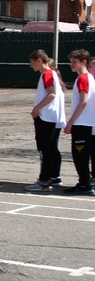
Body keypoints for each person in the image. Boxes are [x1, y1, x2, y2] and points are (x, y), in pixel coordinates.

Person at [26, 49, 65, 192]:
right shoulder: (53, 74)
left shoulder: (47, 74)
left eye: (32, 63)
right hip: (53, 117)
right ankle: (54, 177)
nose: (31, 66)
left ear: (39, 61)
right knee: (52, 148)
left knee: (45, 150)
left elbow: (52, 94)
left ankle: (44, 180)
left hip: (46, 117)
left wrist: (37, 108)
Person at [62, 50, 95, 195]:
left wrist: (71, 122)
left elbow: (83, 102)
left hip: (82, 124)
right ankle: (85, 182)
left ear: (84, 62)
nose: (71, 65)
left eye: (75, 62)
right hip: (87, 123)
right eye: (71, 62)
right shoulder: (90, 78)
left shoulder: (83, 78)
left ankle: (85, 185)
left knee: (80, 156)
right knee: (84, 155)